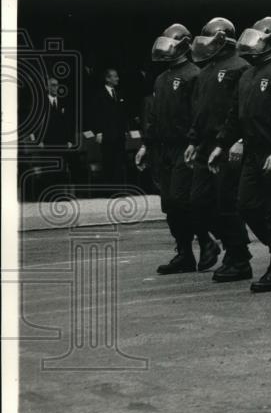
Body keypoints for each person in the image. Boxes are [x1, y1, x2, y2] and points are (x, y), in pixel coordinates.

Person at [210, 17, 271, 293]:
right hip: (253, 152)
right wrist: (221, 144)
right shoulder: (247, 75)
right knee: (246, 205)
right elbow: (234, 117)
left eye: (259, 37)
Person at [136, 24, 217, 274]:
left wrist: (196, 143)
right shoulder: (161, 79)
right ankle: (184, 252)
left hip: (186, 147)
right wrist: (145, 146)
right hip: (163, 149)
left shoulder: (195, 75)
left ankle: (205, 241)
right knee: (170, 204)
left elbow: (200, 114)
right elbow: (153, 117)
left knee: (183, 199)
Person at [185, 17, 253, 281]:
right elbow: (199, 112)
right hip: (206, 145)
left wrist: (239, 140)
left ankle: (239, 257)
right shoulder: (205, 72)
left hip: (228, 145)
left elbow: (243, 111)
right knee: (198, 202)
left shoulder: (241, 68)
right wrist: (193, 141)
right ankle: (229, 247)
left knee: (227, 203)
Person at [92, 67, 129, 188]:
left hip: (119, 134)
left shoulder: (119, 93)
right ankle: (109, 190)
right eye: (115, 76)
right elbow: (95, 115)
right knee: (108, 162)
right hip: (107, 134)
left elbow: (123, 114)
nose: (117, 78)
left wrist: (125, 130)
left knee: (119, 162)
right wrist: (98, 132)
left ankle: (119, 189)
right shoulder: (99, 94)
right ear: (107, 78)